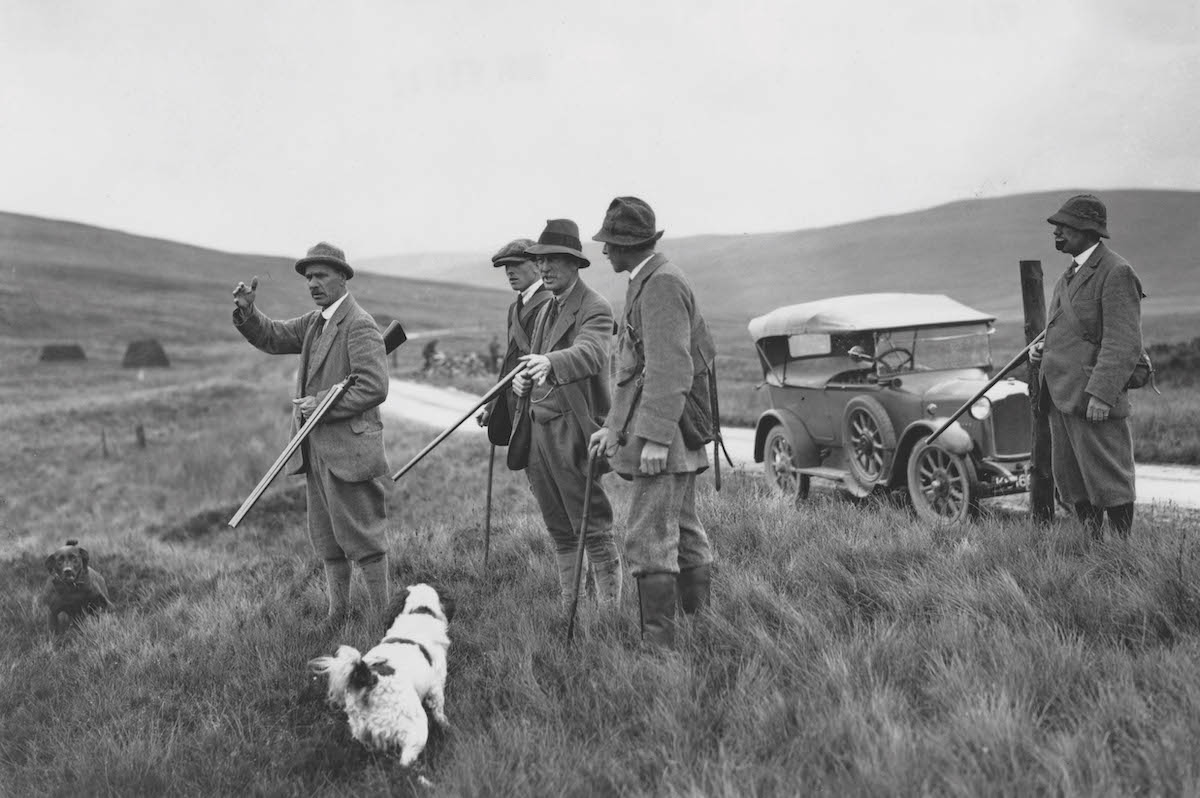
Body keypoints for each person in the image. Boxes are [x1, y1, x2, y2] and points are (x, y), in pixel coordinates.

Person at [232, 242, 392, 624]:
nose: (313, 284)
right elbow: (271, 337)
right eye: (308, 278)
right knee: (328, 539)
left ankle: (382, 619)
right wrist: (247, 311)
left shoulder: (360, 324)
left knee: (363, 539)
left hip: (349, 449)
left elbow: (374, 387)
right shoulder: (314, 323)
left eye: (321, 276)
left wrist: (320, 403)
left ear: (342, 277)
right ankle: (338, 615)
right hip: (316, 449)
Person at [587, 197, 717, 649]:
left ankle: (657, 652)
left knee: (647, 537)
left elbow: (670, 368)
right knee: (681, 530)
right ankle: (700, 633)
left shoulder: (660, 285)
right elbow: (633, 370)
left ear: (629, 245)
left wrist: (655, 439)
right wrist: (614, 427)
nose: (604, 252)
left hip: (666, 438)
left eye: (610, 243)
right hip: (662, 433)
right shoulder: (647, 280)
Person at [513, 219, 622, 607]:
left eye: (554, 260)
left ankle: (609, 612)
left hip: (573, 433)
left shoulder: (595, 307)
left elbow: (593, 352)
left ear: (575, 263)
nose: (544, 269)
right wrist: (523, 384)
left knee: (591, 525)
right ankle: (570, 605)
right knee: (559, 527)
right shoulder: (547, 308)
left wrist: (550, 362)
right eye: (540, 261)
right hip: (539, 436)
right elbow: (533, 363)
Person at [1031, 194, 1144, 539]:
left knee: (1109, 477)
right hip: (1061, 393)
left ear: (1087, 230)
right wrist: (1042, 349)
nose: (1057, 233)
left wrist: (1102, 394)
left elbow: (1123, 342)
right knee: (1074, 479)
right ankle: (1093, 548)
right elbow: (1072, 331)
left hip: (1091, 396)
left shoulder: (1116, 272)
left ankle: (1123, 551)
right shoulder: (1068, 276)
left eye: (1064, 227)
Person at [476, 239, 552, 440]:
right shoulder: (514, 309)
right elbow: (511, 360)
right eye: (506, 266)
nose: (509, 271)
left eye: (516, 264)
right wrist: (492, 404)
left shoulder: (552, 302)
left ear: (537, 265)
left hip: (542, 403)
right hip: (516, 402)